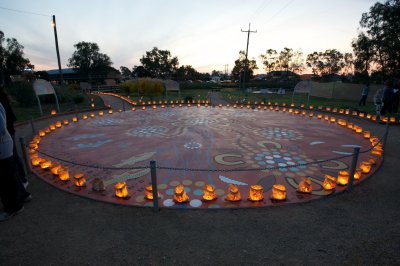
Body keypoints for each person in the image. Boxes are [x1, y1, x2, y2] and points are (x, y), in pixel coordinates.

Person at [0, 103, 24, 221]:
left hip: (2, 147)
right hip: (4, 145)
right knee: (11, 174)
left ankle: (13, 206)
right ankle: (22, 195)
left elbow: (1, 129)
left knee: (6, 178)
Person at [0, 87, 28, 187]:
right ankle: (21, 179)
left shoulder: (1, 99)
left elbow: (3, 123)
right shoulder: (3, 96)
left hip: (7, 132)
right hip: (8, 130)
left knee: (13, 157)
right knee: (13, 157)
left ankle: (23, 180)